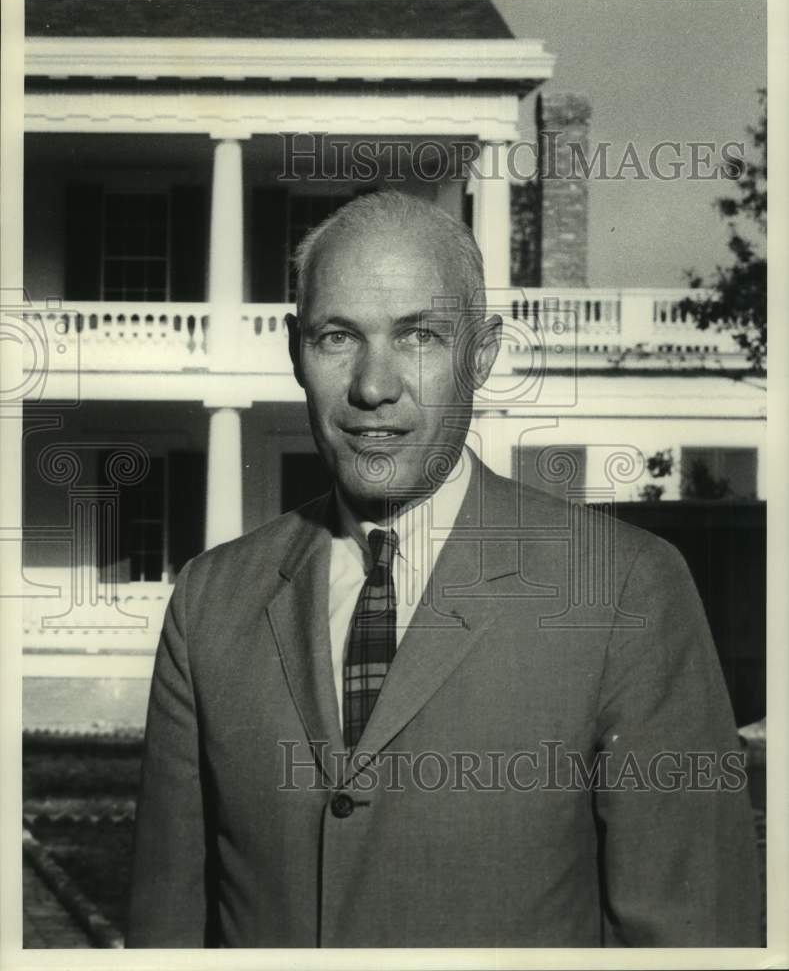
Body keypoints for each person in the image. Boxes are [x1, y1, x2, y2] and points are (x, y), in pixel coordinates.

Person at [127, 191, 760, 948]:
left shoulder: (623, 589)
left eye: (419, 337)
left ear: (482, 354)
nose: (372, 386)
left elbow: (693, 939)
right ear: (295, 350)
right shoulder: (209, 601)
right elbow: (165, 932)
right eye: (337, 337)